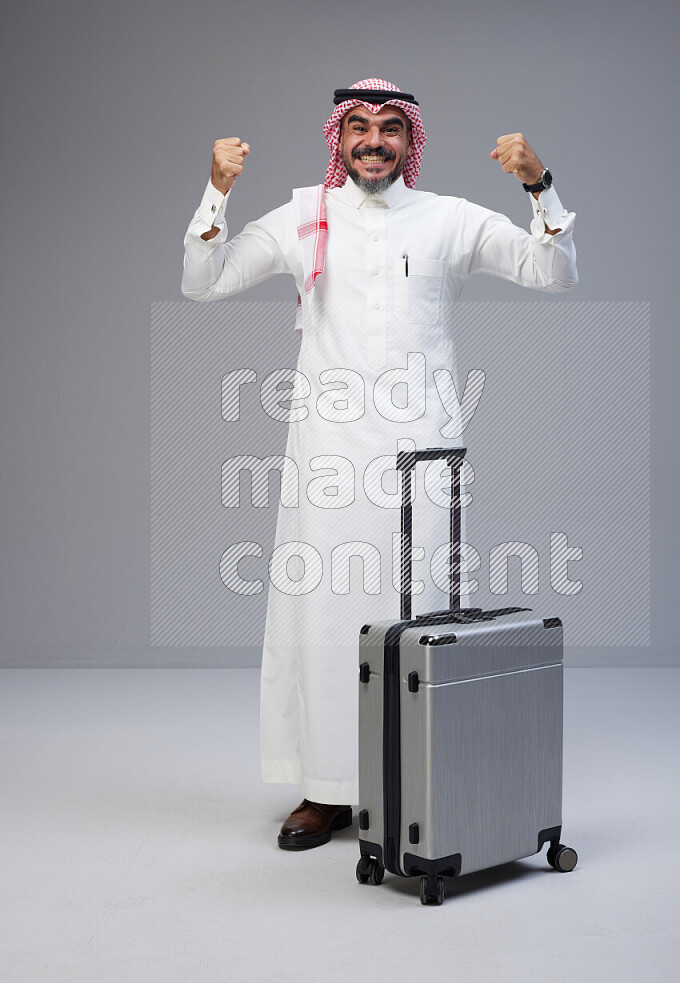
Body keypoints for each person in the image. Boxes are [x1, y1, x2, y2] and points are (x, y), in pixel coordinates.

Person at [182, 78, 578, 850]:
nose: (373, 140)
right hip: (326, 458)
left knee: (418, 613)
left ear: (410, 141)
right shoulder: (304, 216)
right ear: (338, 137)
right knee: (325, 619)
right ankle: (326, 792)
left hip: (421, 458)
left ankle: (416, 780)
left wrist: (540, 184)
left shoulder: (448, 220)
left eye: (390, 128)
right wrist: (216, 193)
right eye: (358, 126)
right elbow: (205, 282)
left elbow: (553, 272)